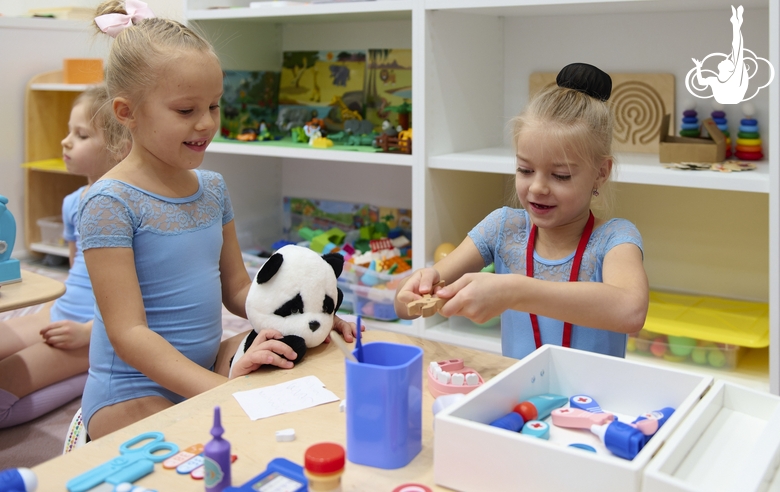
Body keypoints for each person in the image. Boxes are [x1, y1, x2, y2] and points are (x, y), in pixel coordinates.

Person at [82, 0, 357, 440]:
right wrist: (219, 392)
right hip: (131, 391)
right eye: (186, 111)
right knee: (214, 444)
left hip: (207, 366)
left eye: (214, 105)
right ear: (126, 113)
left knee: (299, 372)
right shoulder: (109, 202)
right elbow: (128, 334)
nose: (207, 123)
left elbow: (238, 291)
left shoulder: (211, 188)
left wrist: (306, 316)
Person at [395, 63, 649, 361]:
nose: (537, 187)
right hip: (522, 399)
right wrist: (415, 285)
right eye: (525, 170)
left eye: (561, 175)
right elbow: (404, 305)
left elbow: (631, 311)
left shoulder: (615, 237)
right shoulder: (503, 228)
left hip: (593, 404)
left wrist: (514, 290)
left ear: (600, 173)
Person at [0, 85, 130, 428]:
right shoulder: (73, 202)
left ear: (121, 146)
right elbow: (77, 272)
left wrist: (89, 333)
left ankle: (93, 372)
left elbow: (139, 289)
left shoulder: (129, 206)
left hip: (98, 329)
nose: (65, 142)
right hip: (59, 311)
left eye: (81, 134)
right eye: (69, 131)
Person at [692, 5, 749, 104]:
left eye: (728, 61)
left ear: (729, 69)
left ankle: (736, 23)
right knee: (736, 51)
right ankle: (736, 23)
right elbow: (701, 82)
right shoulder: (715, 80)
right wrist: (698, 67)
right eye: (729, 60)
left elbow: (737, 48)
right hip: (727, 98)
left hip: (734, 96)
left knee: (737, 50)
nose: (725, 59)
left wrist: (736, 26)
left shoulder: (734, 78)